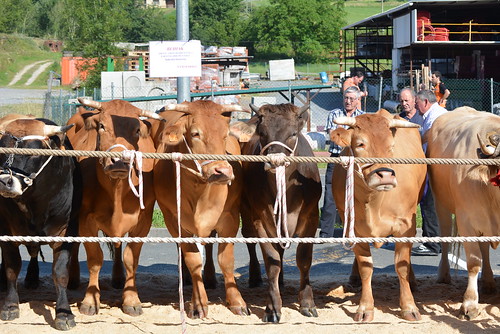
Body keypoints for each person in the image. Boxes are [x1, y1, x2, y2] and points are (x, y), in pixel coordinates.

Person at [319, 86, 365, 238]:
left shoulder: (363, 117)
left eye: (352, 99)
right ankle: (326, 233)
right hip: (337, 159)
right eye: (346, 98)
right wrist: (350, 136)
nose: (348, 101)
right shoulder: (334, 113)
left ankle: (356, 231)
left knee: (357, 195)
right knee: (330, 195)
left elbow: (343, 136)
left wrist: (342, 132)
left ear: (358, 100)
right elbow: (335, 137)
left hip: (355, 160)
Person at [411, 89, 448, 256]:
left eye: (417, 103)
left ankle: (432, 243)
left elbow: (430, 134)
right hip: (433, 163)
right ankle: (434, 241)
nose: (415, 106)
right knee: (431, 204)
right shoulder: (430, 114)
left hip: (435, 164)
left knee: (429, 204)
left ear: (425, 102)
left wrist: (412, 143)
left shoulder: (437, 115)